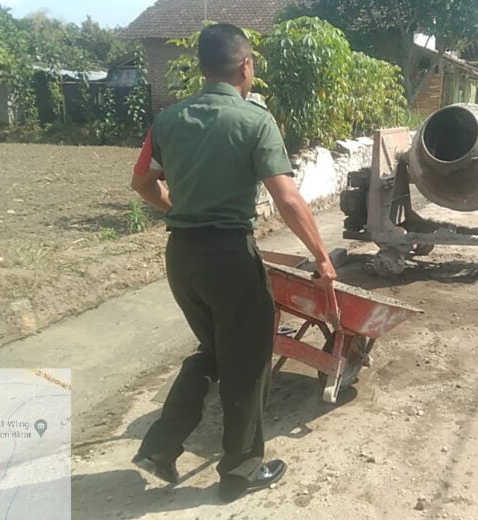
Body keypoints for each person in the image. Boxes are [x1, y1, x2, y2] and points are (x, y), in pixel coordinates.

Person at [128, 23, 338, 502]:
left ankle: (160, 447)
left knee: (214, 351)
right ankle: (241, 470)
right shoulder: (253, 119)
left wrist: (178, 208)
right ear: (245, 66)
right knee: (246, 362)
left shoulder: (168, 120)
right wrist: (322, 258)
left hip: (182, 257)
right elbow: (286, 197)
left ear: (202, 67)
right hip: (228, 256)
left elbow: (141, 184)